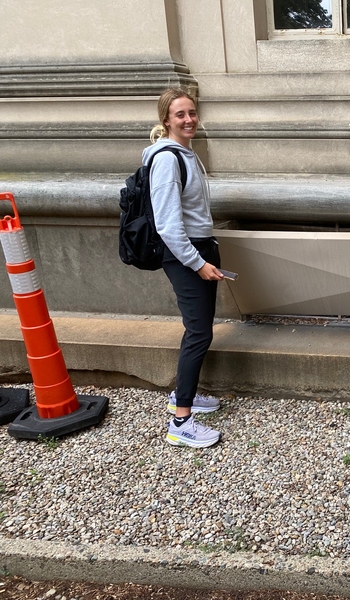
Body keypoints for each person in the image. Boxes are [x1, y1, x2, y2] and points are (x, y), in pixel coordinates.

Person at [145, 87, 224, 448]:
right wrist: (198, 263)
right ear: (166, 120)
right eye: (181, 114)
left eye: (192, 112)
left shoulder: (187, 154)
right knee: (199, 333)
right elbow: (168, 225)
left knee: (200, 328)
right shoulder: (166, 159)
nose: (189, 119)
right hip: (185, 254)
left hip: (200, 248)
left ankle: (182, 393)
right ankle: (181, 421)